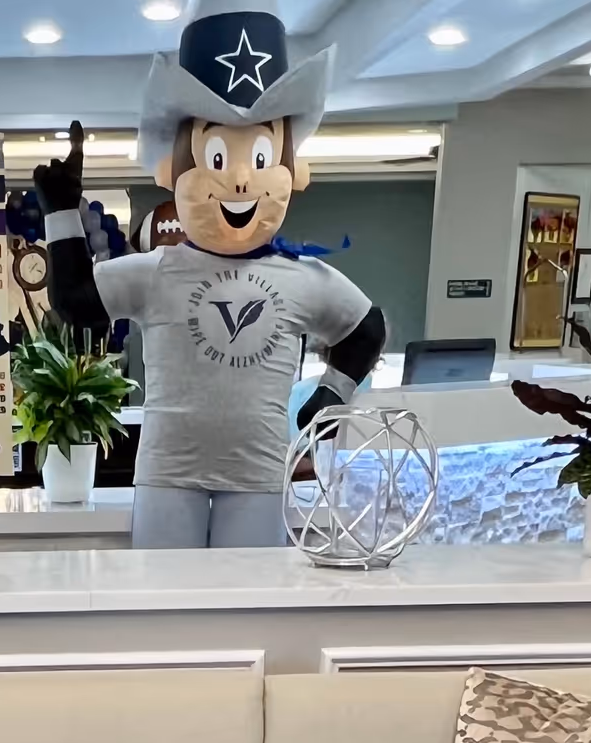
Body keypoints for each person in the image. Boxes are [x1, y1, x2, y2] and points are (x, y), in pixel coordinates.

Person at [34, 3, 385, 548]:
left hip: (261, 479)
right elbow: (76, 300)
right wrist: (60, 211)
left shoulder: (304, 277)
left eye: (262, 157)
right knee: (165, 620)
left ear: (293, 172)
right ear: (173, 172)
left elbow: (366, 329)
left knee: (249, 617)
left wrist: (332, 394)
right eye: (217, 158)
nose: (242, 180)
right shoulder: (157, 272)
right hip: (169, 475)